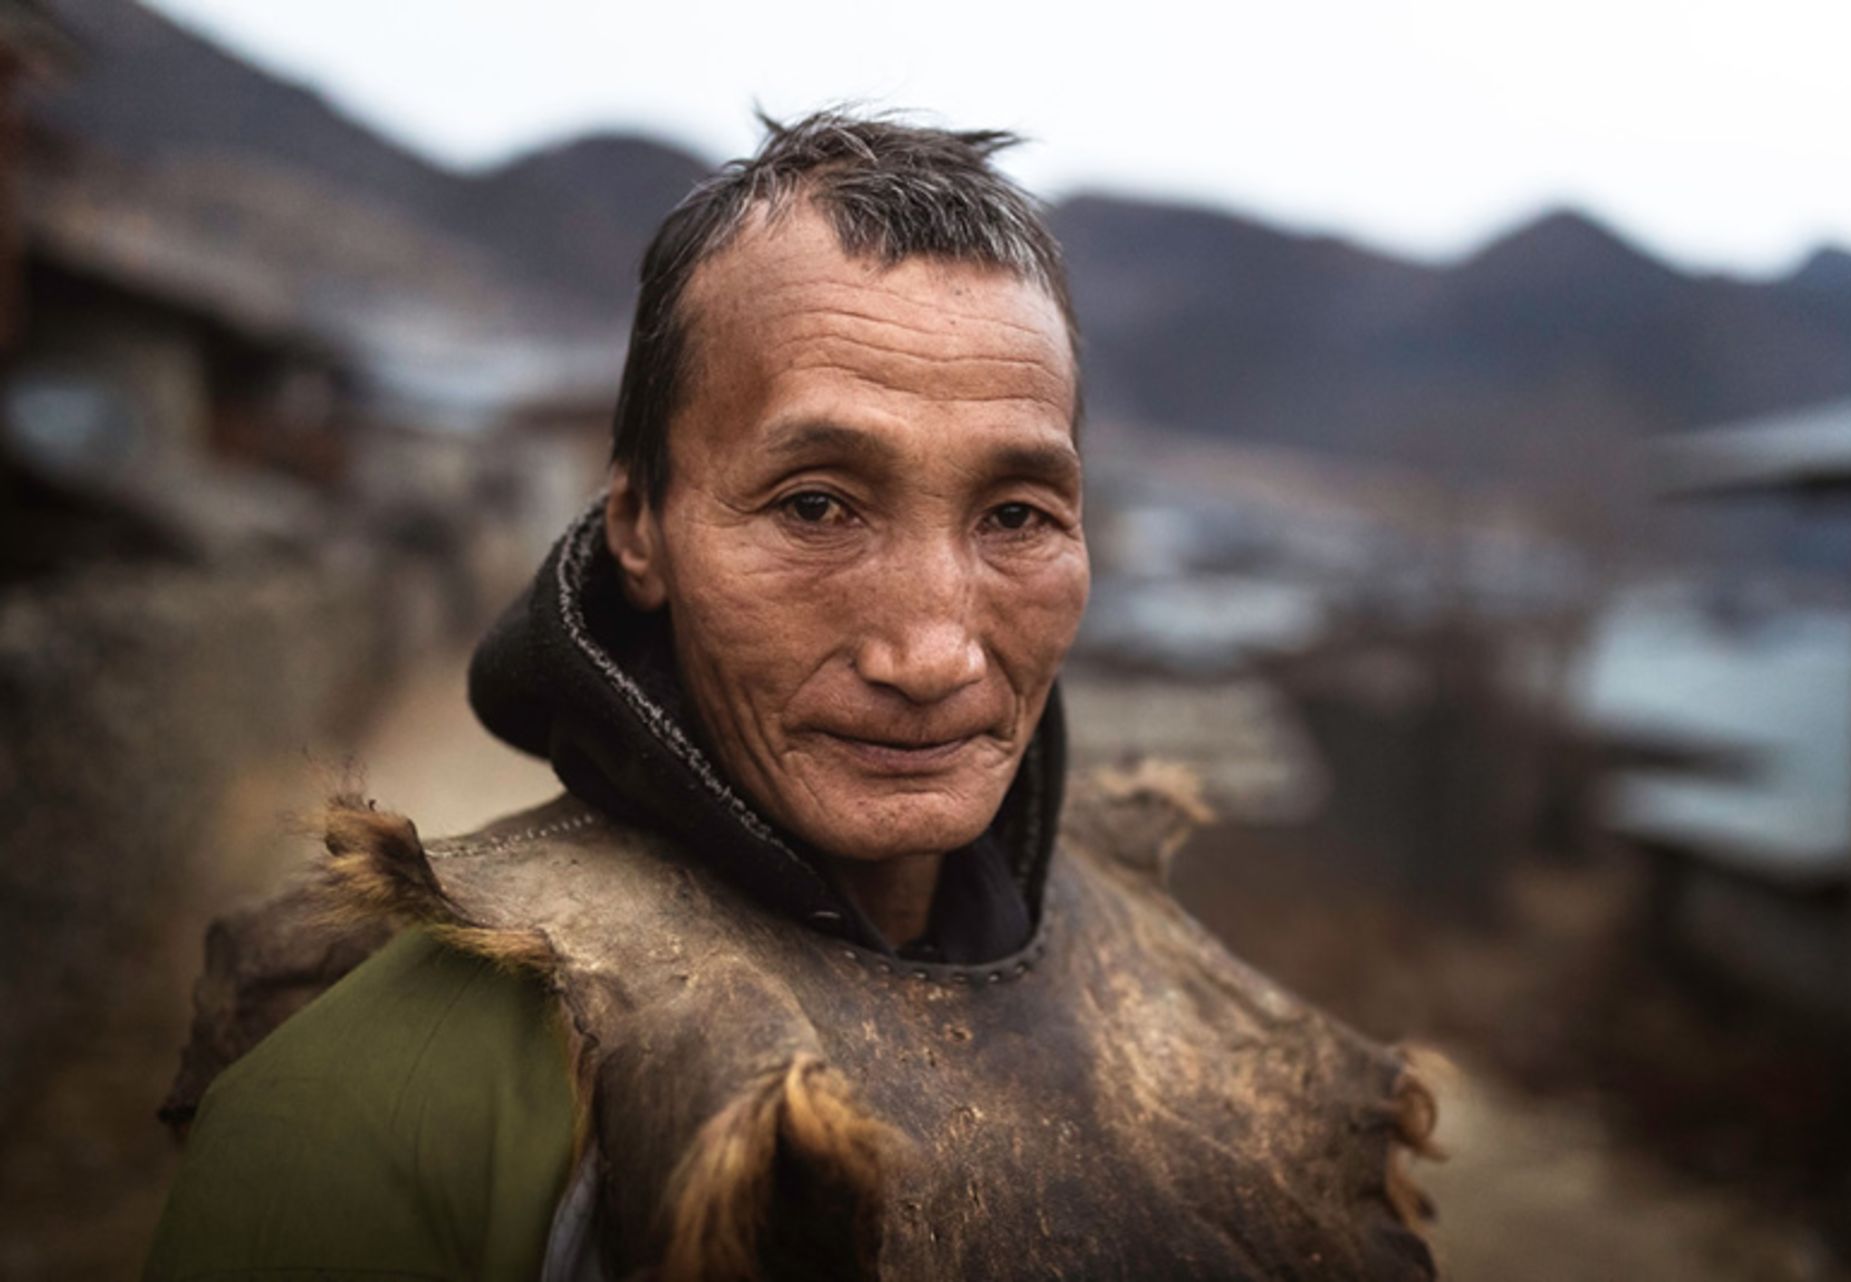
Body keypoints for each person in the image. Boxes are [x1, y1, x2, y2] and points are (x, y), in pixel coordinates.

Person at [145, 111, 1439, 1282]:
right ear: (640, 526)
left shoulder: (1181, 1008)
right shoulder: (383, 1107)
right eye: (815, 503)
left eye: (1017, 514)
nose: (933, 651)